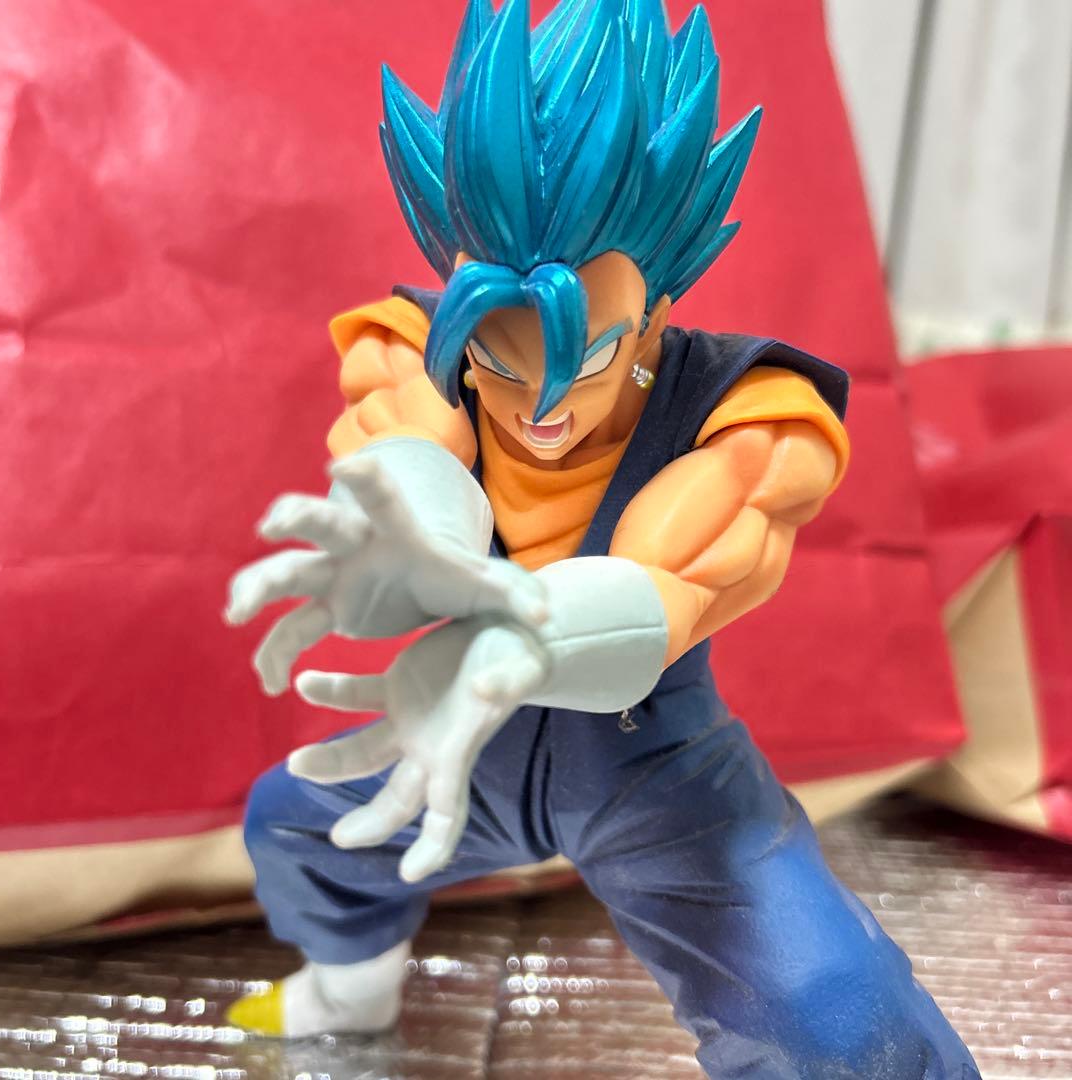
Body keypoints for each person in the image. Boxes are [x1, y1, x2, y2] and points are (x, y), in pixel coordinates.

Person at [224, 1, 981, 1076]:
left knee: (834, 1006)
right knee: (297, 824)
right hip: (463, 747)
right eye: (496, 355)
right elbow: (417, 458)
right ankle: (348, 997)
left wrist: (512, 641)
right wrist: (408, 549)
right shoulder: (415, 352)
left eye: (580, 356)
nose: (536, 406)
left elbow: (667, 578)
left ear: (657, 308)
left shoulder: (750, 419)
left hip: (655, 767)